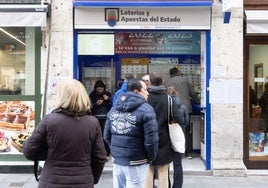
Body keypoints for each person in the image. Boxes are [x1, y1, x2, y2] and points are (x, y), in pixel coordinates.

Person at [22, 79, 107, 187]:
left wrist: (47, 153)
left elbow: (29, 150)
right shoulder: (93, 123)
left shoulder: (50, 120)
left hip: (51, 180)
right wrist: (92, 178)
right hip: (83, 181)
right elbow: (100, 157)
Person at [104, 78, 159, 188]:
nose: (148, 93)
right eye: (145, 90)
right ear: (136, 92)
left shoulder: (114, 108)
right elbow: (151, 140)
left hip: (118, 160)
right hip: (137, 160)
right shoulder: (147, 109)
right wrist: (150, 157)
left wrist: (116, 151)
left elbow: (106, 135)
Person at [145, 71, 181, 188]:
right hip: (163, 138)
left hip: (146, 138)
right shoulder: (169, 99)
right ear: (163, 82)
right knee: (163, 171)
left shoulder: (145, 98)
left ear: (149, 83)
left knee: (148, 170)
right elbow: (179, 117)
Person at [164, 67, 200, 159]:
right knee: (187, 131)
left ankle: (172, 153)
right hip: (185, 109)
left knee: (170, 131)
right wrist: (198, 101)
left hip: (171, 109)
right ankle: (188, 153)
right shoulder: (185, 80)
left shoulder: (166, 82)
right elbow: (193, 94)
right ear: (177, 72)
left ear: (170, 74)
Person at [166, 86, 189, 188]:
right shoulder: (183, 107)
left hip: (166, 137)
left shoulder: (165, 105)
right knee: (178, 164)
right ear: (177, 95)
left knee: (164, 165)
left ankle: (166, 184)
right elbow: (186, 122)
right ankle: (177, 186)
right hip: (178, 138)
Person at [89, 80, 112, 158]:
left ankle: (106, 152)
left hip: (105, 117)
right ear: (96, 89)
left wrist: (108, 99)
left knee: (105, 135)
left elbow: (113, 103)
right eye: (98, 89)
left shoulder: (107, 94)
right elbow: (89, 106)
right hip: (95, 117)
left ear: (104, 89)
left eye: (101, 89)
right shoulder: (92, 95)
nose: (100, 91)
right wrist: (96, 104)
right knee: (96, 136)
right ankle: (97, 152)